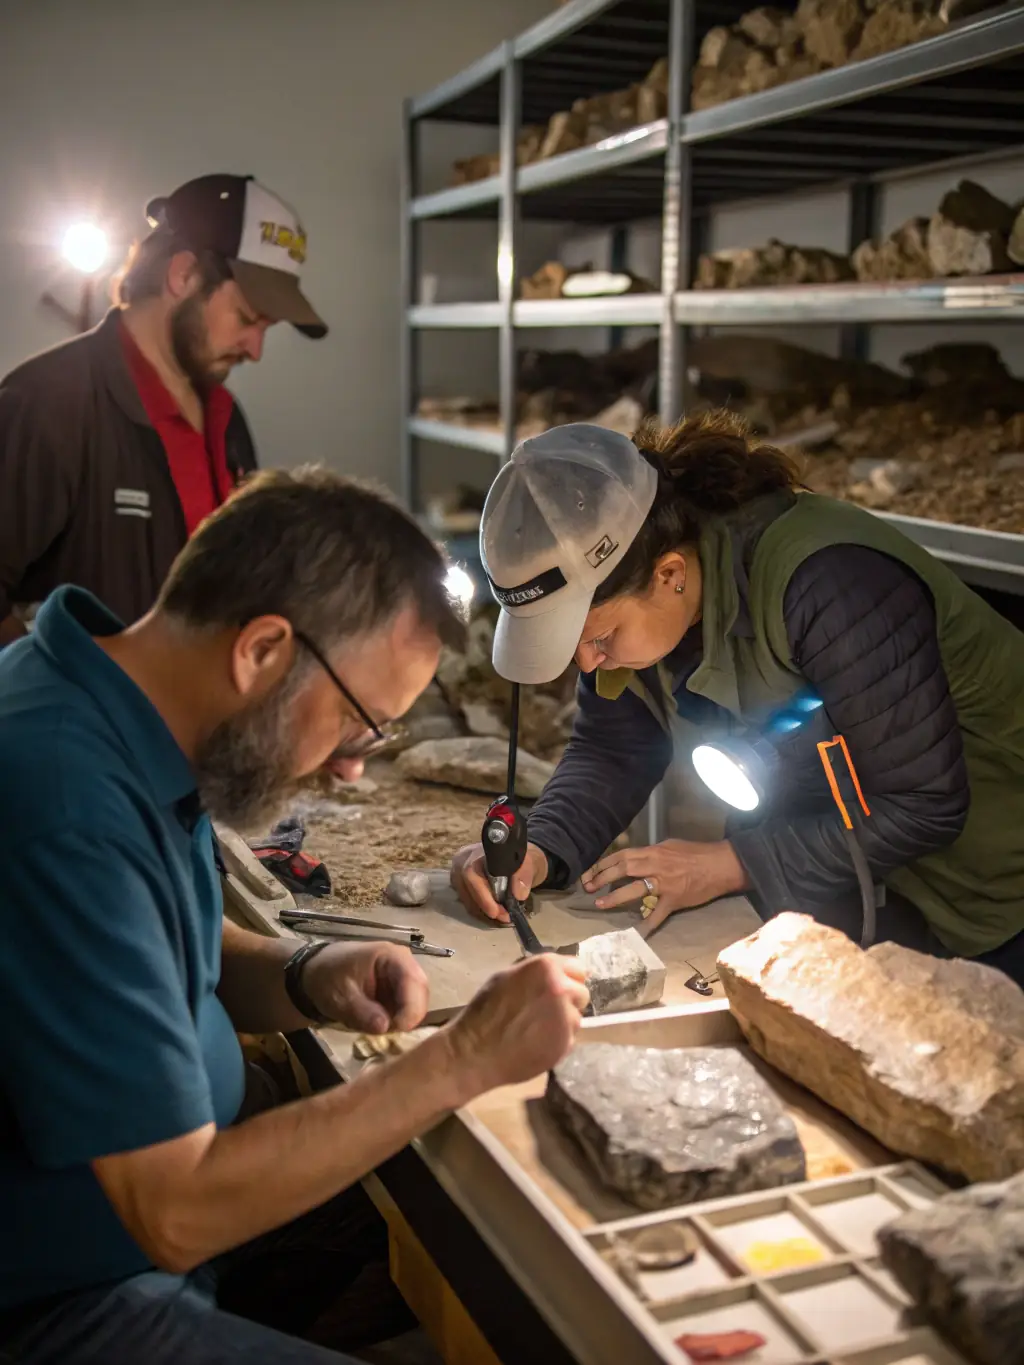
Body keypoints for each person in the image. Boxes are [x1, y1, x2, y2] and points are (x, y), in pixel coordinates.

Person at [0, 467, 589, 1365]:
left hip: (157, 1229)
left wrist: (304, 973)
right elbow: (174, 1210)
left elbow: (165, 953)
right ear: (263, 649)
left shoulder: (117, 709)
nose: (354, 770)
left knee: (437, 1208)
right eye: (361, 726)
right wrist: (463, 1057)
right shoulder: (65, 801)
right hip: (70, 1293)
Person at [451, 414, 1024, 984]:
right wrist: (541, 849)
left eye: (598, 638)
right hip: (862, 876)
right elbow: (612, 749)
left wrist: (732, 864)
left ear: (670, 572)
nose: (588, 662)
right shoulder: (644, 610)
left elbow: (924, 801)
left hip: (995, 888)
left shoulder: (830, 584)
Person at [0, 173, 328, 646]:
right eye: (246, 318)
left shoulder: (226, 419)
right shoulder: (51, 405)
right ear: (183, 275)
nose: (255, 349)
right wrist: (61, 692)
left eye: (267, 328)